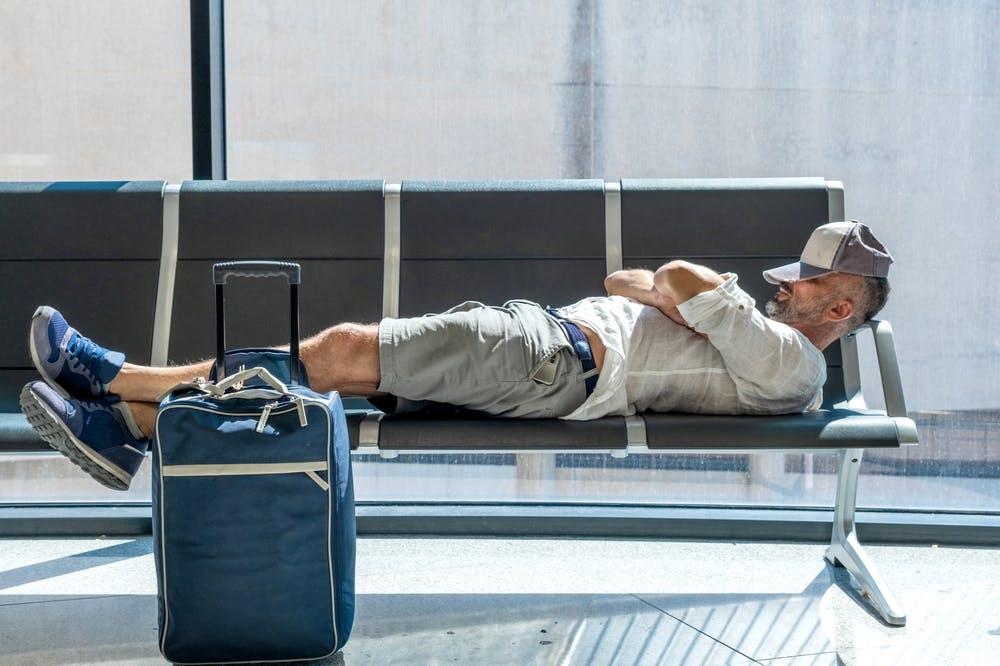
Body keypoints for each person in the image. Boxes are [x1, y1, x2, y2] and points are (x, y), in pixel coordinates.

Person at [21, 220, 893, 490]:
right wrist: (695, 308)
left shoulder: (795, 364)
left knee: (335, 353)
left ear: (841, 306)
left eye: (804, 286)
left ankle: (113, 380)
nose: (783, 290)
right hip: (550, 349)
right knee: (331, 367)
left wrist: (694, 301)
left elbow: (671, 272)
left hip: (556, 357)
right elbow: (628, 278)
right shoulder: (758, 336)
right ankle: (127, 421)